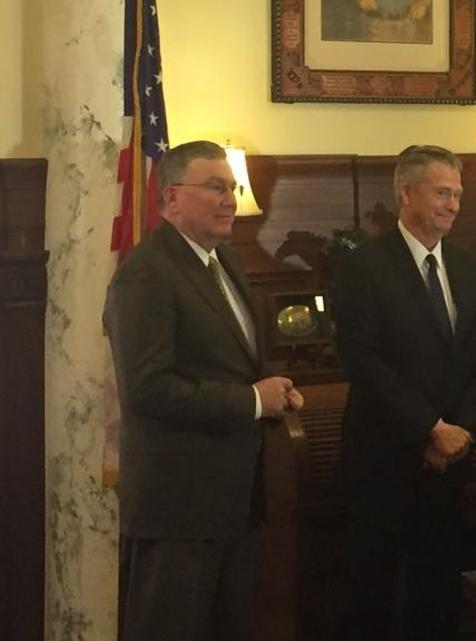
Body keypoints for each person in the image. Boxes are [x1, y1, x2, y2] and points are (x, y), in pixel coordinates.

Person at [104, 140, 303, 641]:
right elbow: (148, 389)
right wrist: (254, 401)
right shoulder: (146, 274)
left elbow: (232, 362)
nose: (229, 200)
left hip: (233, 501)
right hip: (178, 507)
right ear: (171, 198)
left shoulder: (223, 261)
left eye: (231, 188)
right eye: (214, 187)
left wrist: (275, 393)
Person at [333, 144, 476, 641]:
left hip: (452, 464)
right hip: (383, 461)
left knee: (439, 597)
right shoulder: (364, 267)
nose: (453, 204)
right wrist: (430, 429)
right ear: (406, 193)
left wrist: (463, 430)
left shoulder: (472, 270)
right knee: (373, 598)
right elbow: (361, 359)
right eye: (441, 193)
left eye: (457, 194)